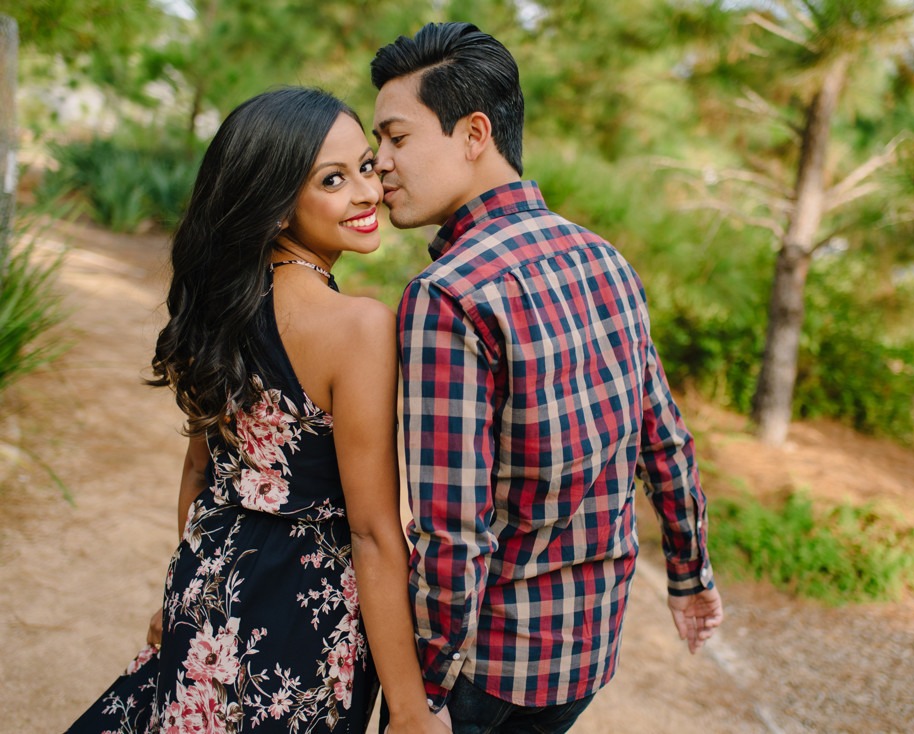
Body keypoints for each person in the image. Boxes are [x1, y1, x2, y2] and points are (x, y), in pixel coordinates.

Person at [370, 22, 724, 733]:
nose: (379, 163)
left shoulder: (448, 294)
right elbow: (668, 444)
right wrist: (689, 578)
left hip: (487, 673)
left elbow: (454, 534)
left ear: (474, 134)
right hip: (588, 654)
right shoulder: (603, 257)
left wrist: (423, 697)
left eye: (397, 138)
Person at [66, 87, 448, 734]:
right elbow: (374, 533)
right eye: (333, 179)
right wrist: (410, 713)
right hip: (301, 618)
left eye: (364, 166)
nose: (366, 192)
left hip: (207, 585)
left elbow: (199, 476)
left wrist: (184, 594)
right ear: (275, 207)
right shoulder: (358, 328)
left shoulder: (218, 306)